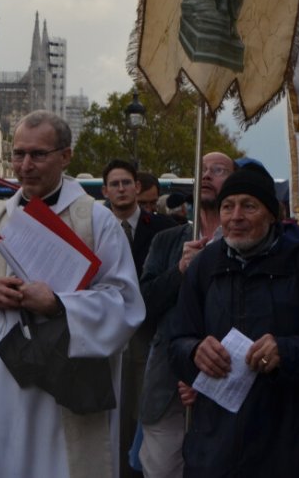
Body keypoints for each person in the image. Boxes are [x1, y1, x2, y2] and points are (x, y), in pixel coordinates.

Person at [0, 111, 145, 478]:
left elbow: (124, 303)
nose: (25, 165)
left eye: (37, 155)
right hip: (4, 383)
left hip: (66, 388)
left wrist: (58, 304)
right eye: (18, 154)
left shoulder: (95, 221)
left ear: (65, 156)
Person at [168, 164, 299, 476]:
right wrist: (194, 352)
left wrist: (286, 352)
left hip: (290, 446)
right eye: (228, 206)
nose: (236, 217)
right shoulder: (204, 266)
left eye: (249, 206)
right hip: (216, 447)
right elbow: (176, 340)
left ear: (273, 214)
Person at [137, 151, 234, 478]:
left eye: (218, 170)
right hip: (166, 388)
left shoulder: (243, 242)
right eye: (202, 169)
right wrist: (179, 271)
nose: (207, 175)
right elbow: (144, 305)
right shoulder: (167, 241)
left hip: (224, 383)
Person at [103, 157, 177, 478]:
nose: (121, 189)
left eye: (126, 183)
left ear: (137, 187)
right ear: (105, 191)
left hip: (146, 333)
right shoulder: (96, 228)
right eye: (114, 184)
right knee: (111, 412)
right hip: (106, 331)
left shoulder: (164, 230)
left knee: (141, 410)